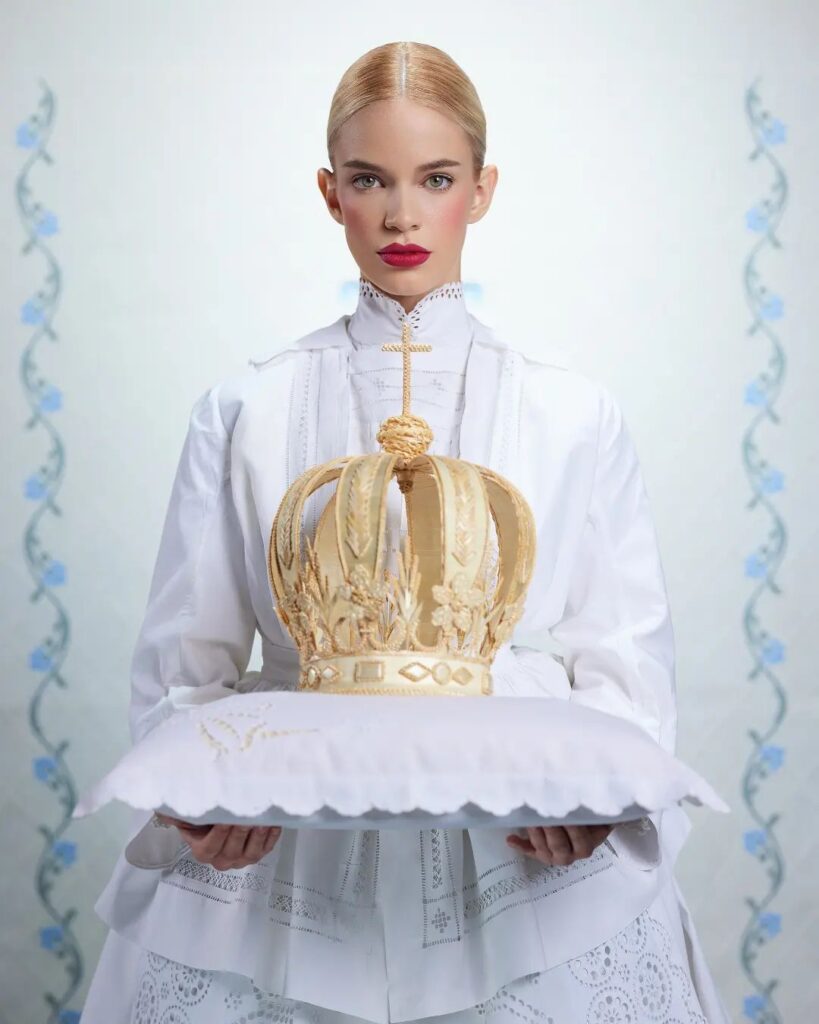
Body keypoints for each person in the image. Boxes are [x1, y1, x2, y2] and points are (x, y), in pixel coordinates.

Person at [81, 40, 731, 1024]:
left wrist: (598, 794)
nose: (400, 214)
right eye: (367, 179)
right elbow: (188, 655)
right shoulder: (246, 407)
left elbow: (624, 653)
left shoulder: (571, 411)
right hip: (284, 835)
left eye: (435, 179)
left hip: (524, 832)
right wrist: (199, 796)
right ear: (328, 192)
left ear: (482, 188)